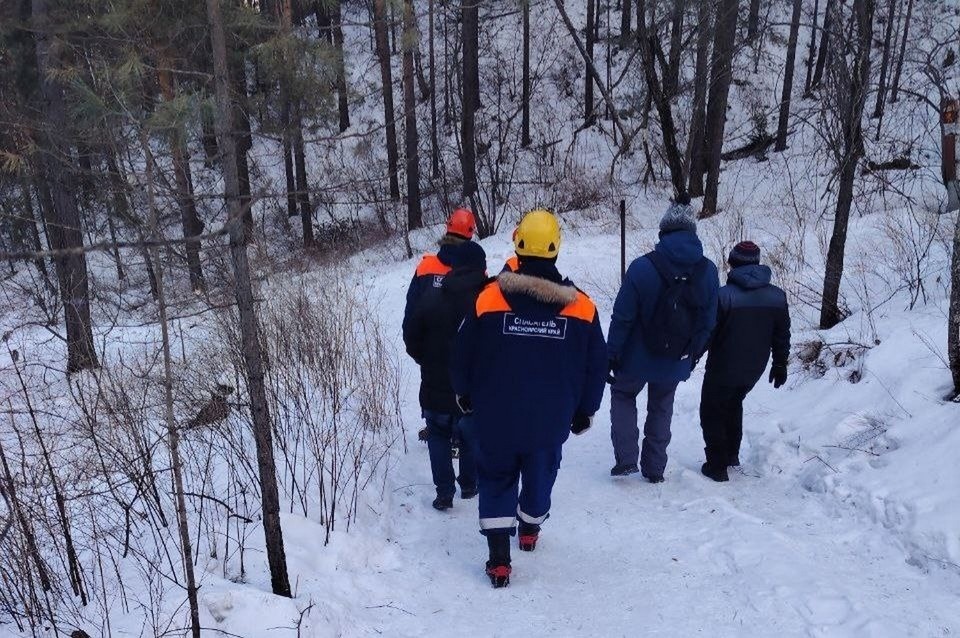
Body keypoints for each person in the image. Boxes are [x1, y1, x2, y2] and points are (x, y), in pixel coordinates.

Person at [452, 209, 606, 588]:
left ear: (518, 246)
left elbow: (462, 354)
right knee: (540, 476)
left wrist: (464, 394)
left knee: (496, 478)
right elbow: (596, 366)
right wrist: (585, 410)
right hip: (550, 421)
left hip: (495, 417)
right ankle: (530, 530)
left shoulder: (487, 299)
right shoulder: (582, 307)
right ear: (556, 249)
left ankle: (499, 560)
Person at [607, 194, 719, 482]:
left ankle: (627, 459)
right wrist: (693, 354)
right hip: (677, 356)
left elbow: (623, 317)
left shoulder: (642, 267)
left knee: (623, 394)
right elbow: (709, 321)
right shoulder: (708, 271)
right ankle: (655, 469)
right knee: (662, 405)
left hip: (635, 357)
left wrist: (611, 353)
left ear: (663, 232)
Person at [404, 240, 489, 508]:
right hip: (472, 387)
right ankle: (469, 484)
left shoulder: (432, 296)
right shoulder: (486, 302)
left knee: (438, 434)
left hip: (434, 381)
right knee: (470, 432)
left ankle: (444, 492)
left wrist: (426, 360)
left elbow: (411, 335)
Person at [699, 241, 790, 482]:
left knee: (712, 410)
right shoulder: (777, 297)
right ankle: (731, 456)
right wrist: (780, 363)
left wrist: (690, 357)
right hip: (754, 368)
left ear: (733, 263)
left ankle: (717, 466)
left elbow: (708, 333)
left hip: (722, 367)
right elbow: (782, 334)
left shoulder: (724, 296)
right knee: (733, 403)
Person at [403, 208, 477, 444]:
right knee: (461, 394)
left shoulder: (426, 268)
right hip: (465, 356)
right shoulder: (477, 272)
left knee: (434, 395)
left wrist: (420, 354)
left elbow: (410, 318)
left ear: (447, 229)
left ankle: (439, 432)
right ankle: (457, 437)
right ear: (471, 233)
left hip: (432, 353)